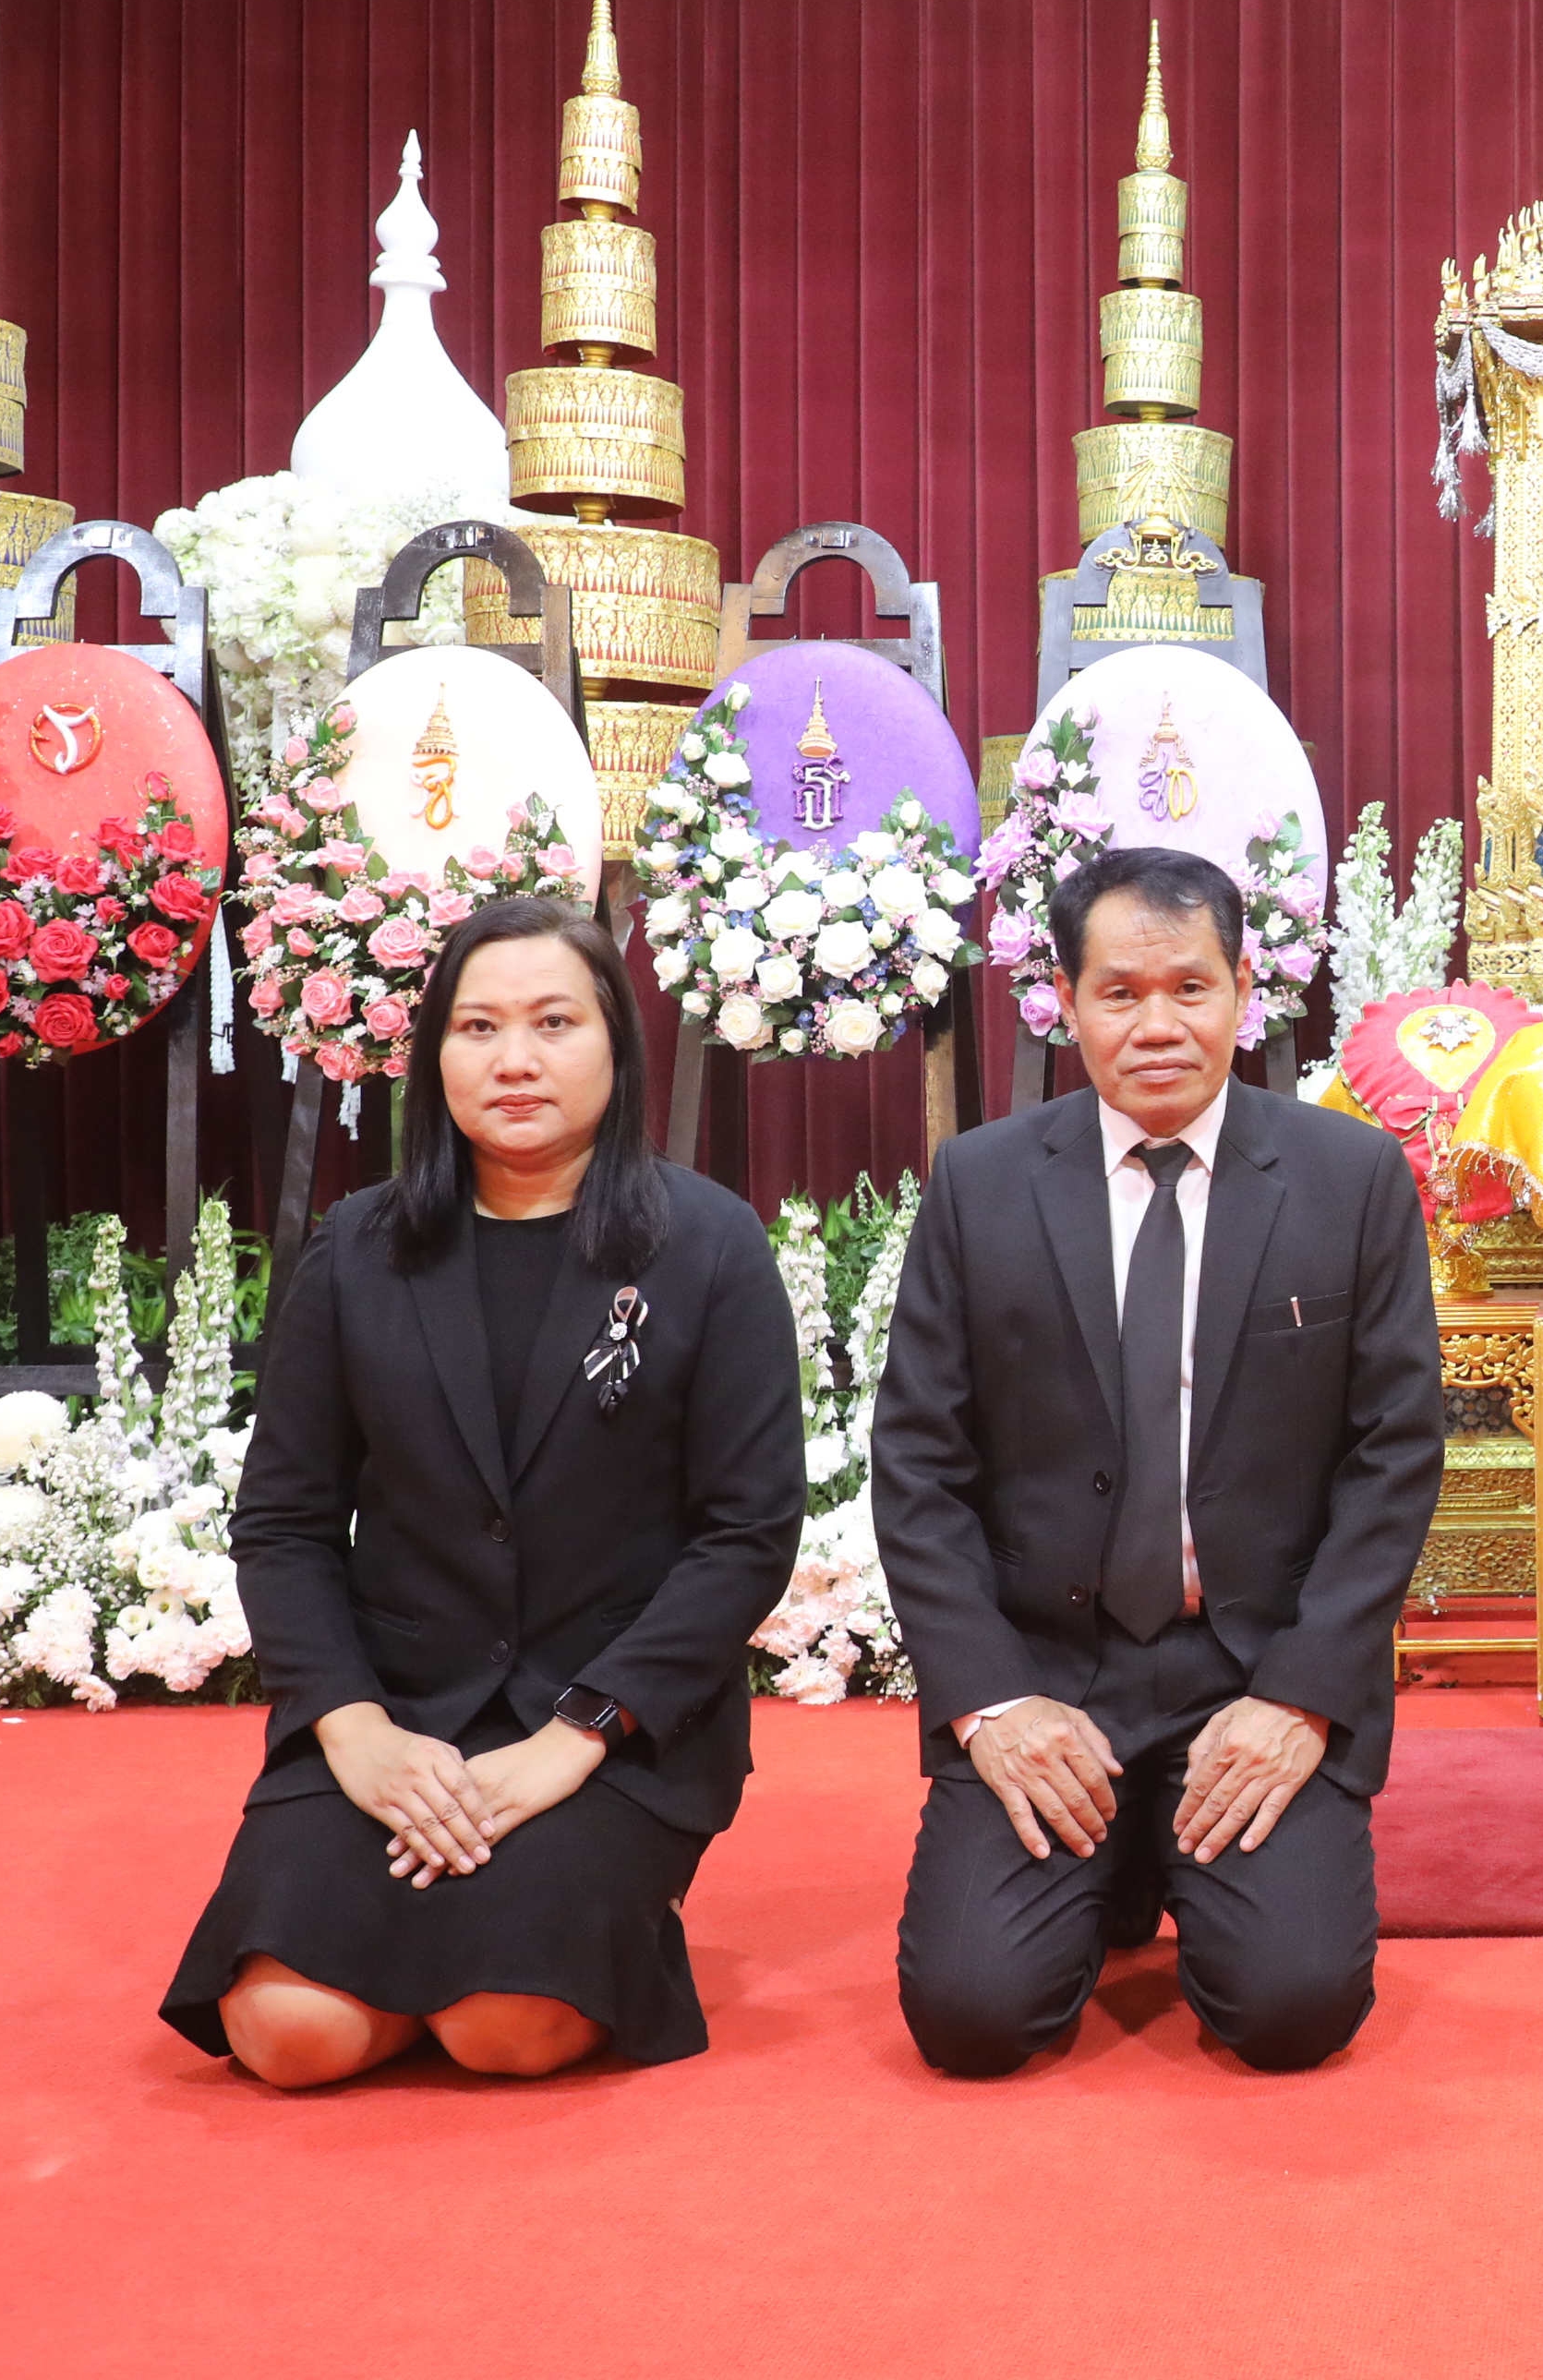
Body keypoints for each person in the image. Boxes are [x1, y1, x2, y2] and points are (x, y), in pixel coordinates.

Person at [162, 896, 804, 2086]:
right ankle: (423, 1943)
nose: (515, 1060)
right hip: (394, 1712)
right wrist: (352, 1730)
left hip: (608, 1731)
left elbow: (746, 1533)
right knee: (291, 2037)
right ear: (435, 1056)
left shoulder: (706, 1245)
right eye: (478, 1028)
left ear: (617, 1042)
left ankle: (551, 1931)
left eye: (554, 1023)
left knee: (502, 2027)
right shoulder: (358, 1248)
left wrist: (578, 1735)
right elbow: (287, 1524)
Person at [872, 844, 1444, 2075]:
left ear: (1246, 989)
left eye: (1191, 987)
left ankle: (1171, 1846)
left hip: (1254, 1667)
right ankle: (1120, 1854)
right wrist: (992, 1702)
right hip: (1047, 1673)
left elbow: (1393, 1456)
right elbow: (918, 1466)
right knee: (973, 2020)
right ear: (1064, 1003)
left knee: (1291, 2012)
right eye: (1120, 992)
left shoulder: (1348, 1180)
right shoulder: (982, 1185)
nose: (1159, 1023)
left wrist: (1302, 1696)